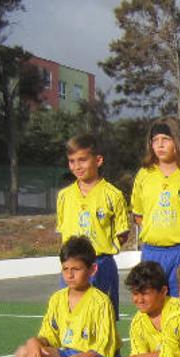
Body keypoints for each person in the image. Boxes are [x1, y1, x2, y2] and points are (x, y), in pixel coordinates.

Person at [13, 236, 121, 357]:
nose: (70, 275)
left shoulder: (100, 302)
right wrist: (33, 342)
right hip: (69, 355)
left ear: (92, 269)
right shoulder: (57, 298)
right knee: (22, 355)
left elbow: (104, 351)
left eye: (76, 269)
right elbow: (47, 336)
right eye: (65, 269)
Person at [56, 134, 129, 316]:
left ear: (98, 160)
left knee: (104, 317)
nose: (77, 166)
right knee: (70, 317)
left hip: (101, 264)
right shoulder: (64, 196)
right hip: (72, 266)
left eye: (82, 160)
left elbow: (122, 233)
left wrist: (102, 250)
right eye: (72, 161)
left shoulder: (113, 195)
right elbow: (63, 231)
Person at [131, 116, 180, 296]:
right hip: (153, 252)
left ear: (178, 142)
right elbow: (138, 215)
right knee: (154, 306)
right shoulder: (144, 175)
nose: (160, 145)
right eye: (155, 140)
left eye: (166, 139)